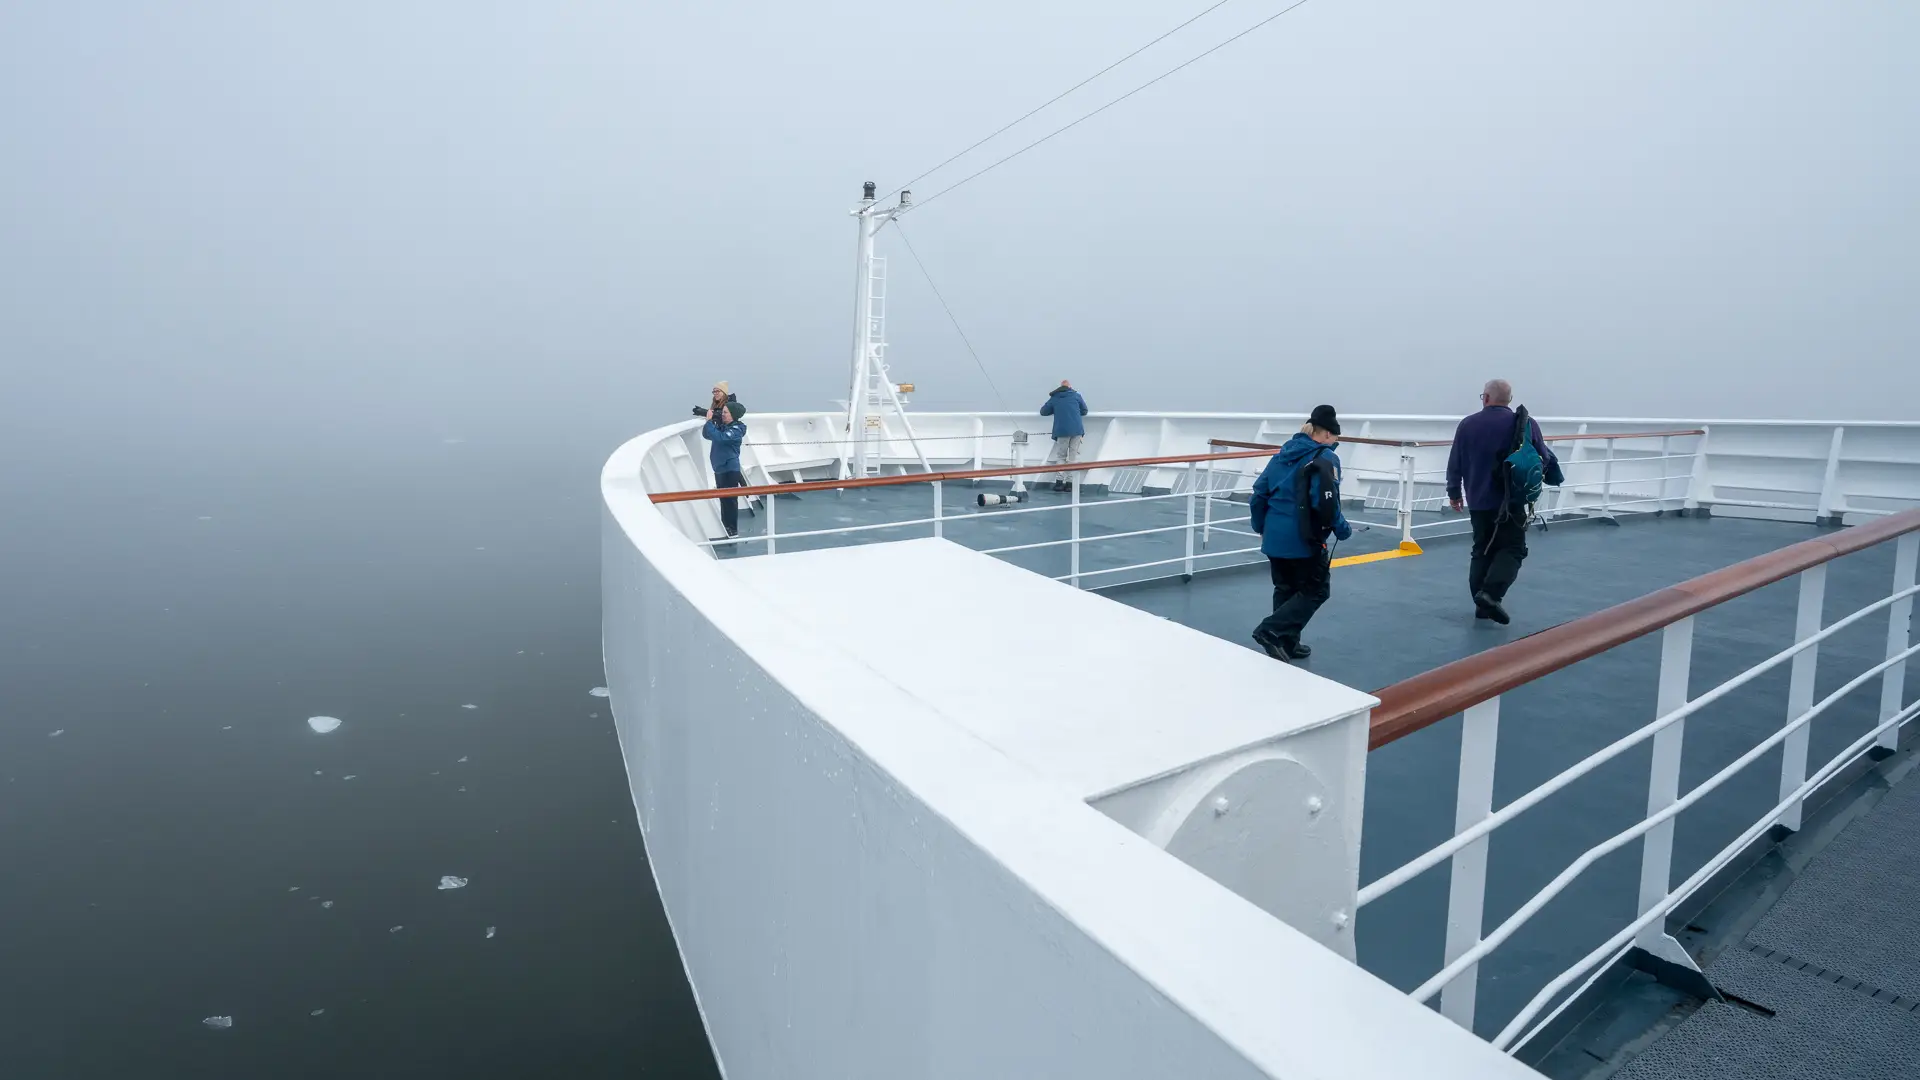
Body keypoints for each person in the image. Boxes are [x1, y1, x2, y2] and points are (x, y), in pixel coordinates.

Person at [1445, 379, 1564, 625]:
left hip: (1477, 500)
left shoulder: (1467, 425)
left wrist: (1454, 492)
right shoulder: (1525, 424)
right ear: (1509, 400)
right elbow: (1542, 456)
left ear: (1486, 398)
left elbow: (1455, 461)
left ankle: (1482, 605)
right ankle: (1490, 595)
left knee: (1482, 550)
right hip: (1511, 501)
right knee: (1513, 549)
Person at [1248, 405, 1352, 662]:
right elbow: (1326, 504)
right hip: (1304, 539)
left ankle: (1286, 642)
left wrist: (1261, 527)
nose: (1336, 441)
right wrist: (1343, 530)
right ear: (1327, 434)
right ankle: (1272, 630)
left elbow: (1258, 495)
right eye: (1336, 436)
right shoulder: (1326, 459)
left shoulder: (1281, 455)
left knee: (1285, 588)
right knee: (1317, 590)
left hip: (1274, 535)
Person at [702, 402, 747, 538]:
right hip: (720, 468)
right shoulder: (723, 427)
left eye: (726, 412)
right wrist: (710, 422)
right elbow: (707, 435)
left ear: (733, 415)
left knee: (730, 500)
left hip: (730, 468)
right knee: (723, 499)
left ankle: (733, 529)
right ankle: (725, 526)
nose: (723, 414)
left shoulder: (736, 430)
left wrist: (710, 422)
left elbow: (720, 438)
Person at [1038, 379, 1088, 492]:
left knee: (1061, 456)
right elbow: (1084, 411)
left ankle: (1059, 483)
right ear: (1070, 387)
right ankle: (1070, 484)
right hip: (1076, 430)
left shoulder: (1055, 398)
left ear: (1060, 387)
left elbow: (1043, 412)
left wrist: (1058, 409)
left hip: (1061, 431)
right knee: (1073, 457)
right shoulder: (1076, 396)